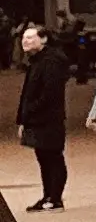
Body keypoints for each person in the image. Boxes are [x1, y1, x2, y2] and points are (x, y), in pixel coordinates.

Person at [14, 21, 69, 211]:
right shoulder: (36, 61)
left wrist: (31, 111)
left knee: (53, 157)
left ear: (43, 39)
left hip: (49, 119)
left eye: (30, 37)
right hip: (37, 118)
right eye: (24, 37)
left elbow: (49, 93)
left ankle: (55, 198)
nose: (25, 41)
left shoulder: (52, 61)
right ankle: (48, 196)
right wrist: (22, 119)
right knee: (43, 158)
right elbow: (28, 93)